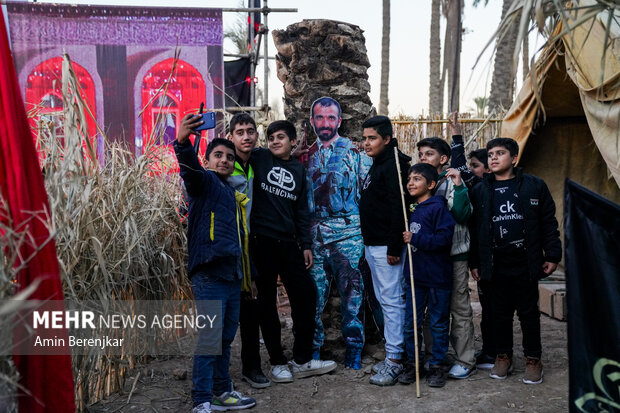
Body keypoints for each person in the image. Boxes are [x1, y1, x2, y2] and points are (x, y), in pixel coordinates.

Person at [174, 114, 256, 413]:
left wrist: (247, 276)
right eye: (218, 155)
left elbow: (241, 240)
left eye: (229, 157)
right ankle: (201, 400)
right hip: (208, 271)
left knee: (224, 337)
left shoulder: (232, 193)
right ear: (207, 160)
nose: (224, 160)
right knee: (210, 338)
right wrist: (183, 142)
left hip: (231, 274)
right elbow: (189, 171)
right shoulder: (204, 183)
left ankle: (222, 392)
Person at [249, 119, 337, 383]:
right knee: (266, 302)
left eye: (280, 137)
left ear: (292, 142)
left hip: (289, 243)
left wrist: (306, 245)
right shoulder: (260, 158)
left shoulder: (298, 170)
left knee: (306, 295)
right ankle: (277, 362)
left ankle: (302, 359)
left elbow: (301, 212)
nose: (275, 142)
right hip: (261, 241)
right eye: (271, 137)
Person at [469, 137, 561, 385]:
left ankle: (533, 359)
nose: (494, 158)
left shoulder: (534, 186)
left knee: (529, 313)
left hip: (526, 260)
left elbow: (548, 222)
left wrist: (552, 254)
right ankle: (503, 356)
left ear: (514, 158)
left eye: (500, 153)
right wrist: (475, 261)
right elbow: (475, 230)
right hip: (495, 262)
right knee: (499, 313)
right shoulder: (480, 190)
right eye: (490, 155)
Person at [304, 97, 372, 369]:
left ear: (339, 121)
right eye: (319, 118)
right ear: (312, 121)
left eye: (331, 118)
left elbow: (370, 193)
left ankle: (354, 350)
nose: (325, 123)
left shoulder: (356, 154)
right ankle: (314, 351)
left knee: (352, 298)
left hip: (349, 237)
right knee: (314, 299)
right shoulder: (303, 156)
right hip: (315, 238)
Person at [417, 133, 476, 379]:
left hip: (454, 257)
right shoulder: (420, 184)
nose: (423, 158)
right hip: (429, 258)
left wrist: (460, 186)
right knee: (433, 309)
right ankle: (435, 356)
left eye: (429, 154)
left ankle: (465, 359)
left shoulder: (453, 182)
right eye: (420, 155)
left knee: (459, 308)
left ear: (443, 159)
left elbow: (463, 215)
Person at [359, 115, 411, 386]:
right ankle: (395, 355)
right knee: (385, 299)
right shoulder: (380, 163)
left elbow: (398, 208)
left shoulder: (394, 166)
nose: (366, 143)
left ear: (387, 139)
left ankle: (395, 360)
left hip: (385, 247)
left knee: (392, 302)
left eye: (372, 138)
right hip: (374, 244)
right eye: (365, 138)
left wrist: (394, 245)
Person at [226, 113, 271, 388]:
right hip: (227, 246)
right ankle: (214, 379)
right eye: (240, 132)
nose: (246, 136)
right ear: (231, 136)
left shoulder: (256, 161)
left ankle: (251, 367)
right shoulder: (224, 163)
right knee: (227, 312)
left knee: (252, 307)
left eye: (250, 131)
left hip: (250, 244)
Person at [401, 163, 456, 388]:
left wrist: (415, 239)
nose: (410, 183)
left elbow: (444, 240)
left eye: (417, 179)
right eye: (409, 179)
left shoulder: (438, 208)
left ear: (431, 185)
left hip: (438, 277)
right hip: (415, 276)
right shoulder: (412, 209)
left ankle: (437, 366)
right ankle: (413, 364)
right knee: (410, 323)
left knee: (439, 323)